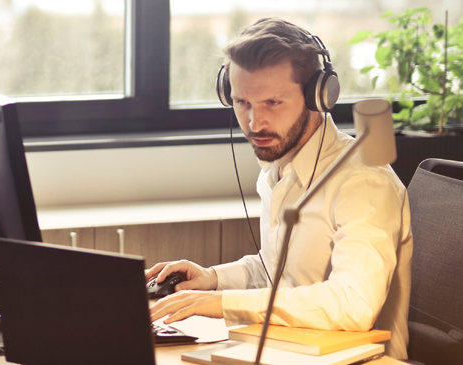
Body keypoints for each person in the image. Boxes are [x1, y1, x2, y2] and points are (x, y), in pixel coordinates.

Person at [147, 18, 413, 359]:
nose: (255, 124)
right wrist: (212, 279)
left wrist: (223, 303)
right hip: (287, 349)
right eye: (242, 103)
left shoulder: (364, 182)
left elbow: (353, 305)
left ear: (319, 96)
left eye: (272, 103)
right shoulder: (277, 167)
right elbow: (280, 273)